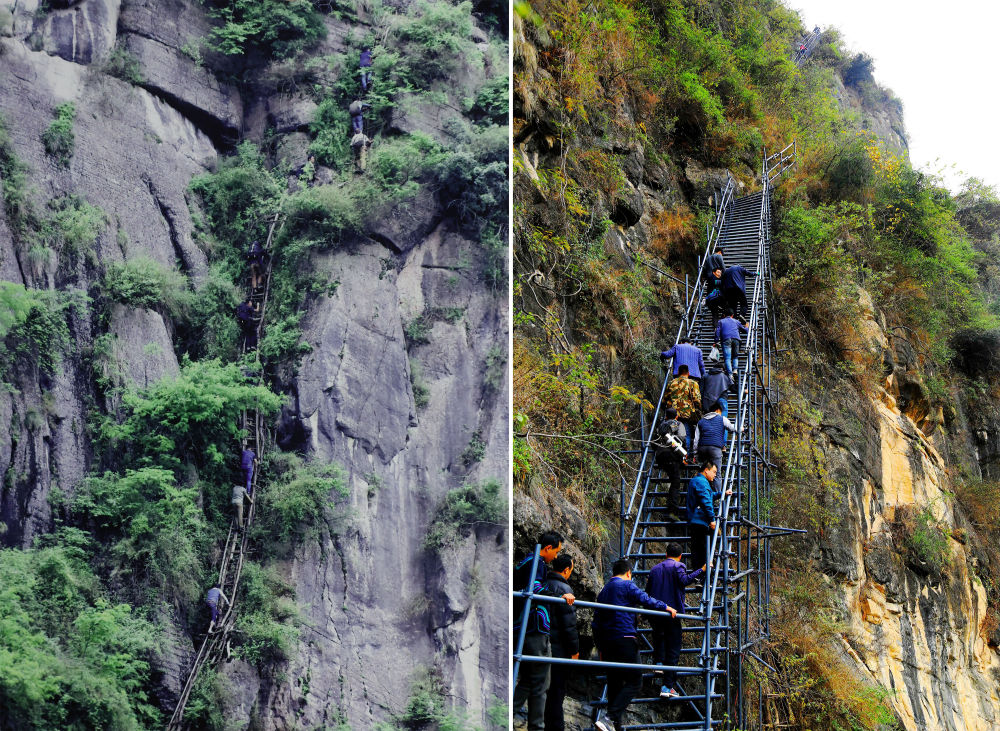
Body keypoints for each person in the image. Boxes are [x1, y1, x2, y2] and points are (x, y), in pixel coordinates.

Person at [592, 559, 676, 731]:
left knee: (615, 684)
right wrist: (665, 606)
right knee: (635, 681)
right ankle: (609, 719)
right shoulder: (627, 585)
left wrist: (600, 646)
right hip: (625, 638)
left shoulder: (604, 591)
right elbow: (645, 599)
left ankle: (615, 725)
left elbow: (596, 622)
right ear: (629, 573)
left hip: (607, 642)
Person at [514, 531, 575, 731]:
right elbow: (536, 588)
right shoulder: (537, 563)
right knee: (541, 682)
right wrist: (561, 597)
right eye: (556, 551)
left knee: (527, 680)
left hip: (521, 626)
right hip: (534, 627)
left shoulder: (525, 562)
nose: (556, 557)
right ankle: (537, 728)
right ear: (547, 548)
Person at [646, 543, 705, 699]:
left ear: (666, 554)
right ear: (680, 555)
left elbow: (647, 592)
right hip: (672, 614)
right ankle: (667, 686)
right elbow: (685, 580)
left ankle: (658, 663)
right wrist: (702, 570)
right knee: (673, 649)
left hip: (655, 611)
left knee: (659, 637)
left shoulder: (654, 569)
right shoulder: (679, 566)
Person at [542, 555, 579, 731]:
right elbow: (569, 624)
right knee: (557, 692)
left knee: (541, 690)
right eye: (571, 569)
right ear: (566, 570)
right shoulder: (564, 589)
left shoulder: (543, 584)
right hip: (558, 650)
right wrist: (574, 651)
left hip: (541, 645)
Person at [686, 461, 731, 571]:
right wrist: (711, 519)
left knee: (699, 549)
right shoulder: (702, 482)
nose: (715, 475)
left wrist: (722, 493)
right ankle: (702, 577)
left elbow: (709, 496)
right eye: (714, 472)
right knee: (702, 550)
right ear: (706, 470)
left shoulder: (699, 481)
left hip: (696, 520)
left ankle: (700, 576)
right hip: (700, 521)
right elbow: (706, 501)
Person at [692, 401, 740, 491]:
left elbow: (696, 440)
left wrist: (695, 454)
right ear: (718, 410)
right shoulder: (721, 419)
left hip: (702, 449)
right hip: (715, 449)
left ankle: (703, 494)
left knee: (704, 472)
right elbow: (732, 427)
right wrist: (740, 429)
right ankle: (717, 497)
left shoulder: (701, 421)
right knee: (716, 473)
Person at [652, 408, 686, 515]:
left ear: (666, 416)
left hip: (661, 456)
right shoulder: (679, 424)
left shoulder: (661, 426)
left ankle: (671, 508)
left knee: (672, 478)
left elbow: (654, 442)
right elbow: (683, 439)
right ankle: (673, 511)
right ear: (676, 416)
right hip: (673, 456)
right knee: (675, 483)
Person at [663, 365, 701, 455]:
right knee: (686, 434)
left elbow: (665, 399)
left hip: (672, 413)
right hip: (687, 414)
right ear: (688, 373)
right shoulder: (693, 383)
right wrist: (699, 410)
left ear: (678, 373)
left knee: (671, 434)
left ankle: (673, 454)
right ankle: (685, 454)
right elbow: (697, 400)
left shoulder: (671, 383)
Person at [713, 311, 748, 378]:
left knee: (727, 358)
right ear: (732, 315)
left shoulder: (721, 321)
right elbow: (745, 330)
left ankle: (730, 374)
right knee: (735, 356)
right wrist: (747, 327)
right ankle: (735, 370)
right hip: (736, 339)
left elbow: (717, 332)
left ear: (724, 315)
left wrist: (716, 341)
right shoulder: (736, 321)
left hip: (726, 339)